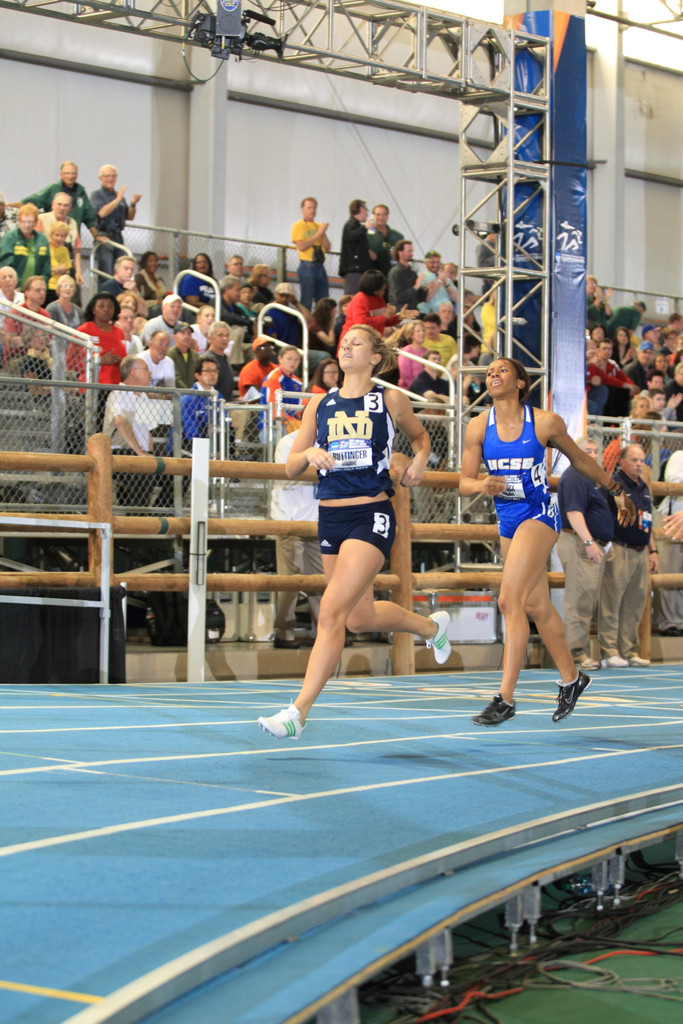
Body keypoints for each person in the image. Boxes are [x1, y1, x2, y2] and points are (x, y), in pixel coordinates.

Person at [257, 323, 451, 739]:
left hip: (371, 514)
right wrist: (307, 451)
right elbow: (290, 467)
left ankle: (297, 712)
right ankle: (431, 628)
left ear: (374, 357)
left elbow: (421, 439)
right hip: (330, 517)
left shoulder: (389, 399)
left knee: (329, 612)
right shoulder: (319, 405)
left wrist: (418, 463)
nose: (345, 347)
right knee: (359, 618)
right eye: (343, 342)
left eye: (356, 343)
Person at [458, 357, 635, 727]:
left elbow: (580, 460)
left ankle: (505, 698)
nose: (493, 374)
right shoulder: (477, 426)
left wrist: (616, 488)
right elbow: (464, 482)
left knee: (510, 600)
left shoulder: (544, 422)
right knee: (537, 607)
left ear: (521, 382)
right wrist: (481, 485)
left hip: (539, 516)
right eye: (489, 371)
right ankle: (572, 679)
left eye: (502, 370)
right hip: (507, 522)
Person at [557, 436, 615, 673]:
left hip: (592, 544)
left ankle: (578, 651)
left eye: (595, 451)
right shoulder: (575, 477)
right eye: (587, 450)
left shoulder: (591, 478)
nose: (592, 454)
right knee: (579, 598)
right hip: (580, 544)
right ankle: (575, 653)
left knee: (587, 598)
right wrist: (589, 542)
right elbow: (573, 512)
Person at [599, 444, 657, 668]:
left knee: (635, 604)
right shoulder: (614, 485)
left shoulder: (643, 486)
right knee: (612, 602)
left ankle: (629, 649)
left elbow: (648, 520)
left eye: (641, 460)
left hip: (641, 551)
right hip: (620, 548)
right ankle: (609, 651)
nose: (639, 464)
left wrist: (654, 550)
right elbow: (603, 515)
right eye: (634, 460)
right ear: (622, 461)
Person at [270, 426, 323, 649]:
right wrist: (311, 460)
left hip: (318, 520)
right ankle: (284, 633)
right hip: (289, 519)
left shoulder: (331, 441)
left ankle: (324, 634)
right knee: (291, 579)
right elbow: (288, 477)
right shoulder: (287, 443)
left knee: (321, 580)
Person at [103, 355, 155, 508]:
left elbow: (148, 431)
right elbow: (120, 421)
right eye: (146, 369)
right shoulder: (118, 393)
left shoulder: (144, 395)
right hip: (119, 451)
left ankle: (156, 515)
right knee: (142, 475)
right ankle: (136, 517)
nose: (150, 373)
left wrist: (150, 454)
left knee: (169, 472)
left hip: (141, 452)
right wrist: (141, 454)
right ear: (133, 372)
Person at [90, 164, 141, 277]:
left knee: (120, 272)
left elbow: (130, 216)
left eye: (113, 176)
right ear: (101, 178)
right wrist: (117, 199)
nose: (111, 179)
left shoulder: (119, 196)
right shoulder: (96, 195)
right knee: (106, 271)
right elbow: (102, 213)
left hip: (118, 236)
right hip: (104, 236)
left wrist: (133, 204)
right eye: (107, 176)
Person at [338, 269, 411, 344]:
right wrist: (384, 317)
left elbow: (384, 321)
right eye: (383, 284)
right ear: (375, 288)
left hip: (371, 341)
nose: (385, 286)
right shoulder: (360, 299)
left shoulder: (379, 298)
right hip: (353, 343)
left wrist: (399, 316)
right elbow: (361, 323)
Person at [69, 291, 126, 385]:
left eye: (110, 306)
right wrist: (99, 360)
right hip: (92, 385)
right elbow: (71, 362)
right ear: (93, 309)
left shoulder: (119, 332)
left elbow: (124, 358)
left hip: (116, 387)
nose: (106, 309)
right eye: (101, 306)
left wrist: (120, 361)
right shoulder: (84, 330)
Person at [655, 450, 683, 637]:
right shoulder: (679, 456)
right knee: (669, 574)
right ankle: (669, 622)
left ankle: (680, 619)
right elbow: (676, 479)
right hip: (672, 522)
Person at [36, 192, 84, 289]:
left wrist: (78, 272)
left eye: (66, 205)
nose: (62, 208)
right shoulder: (41, 219)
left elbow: (77, 250)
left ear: (70, 207)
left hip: (67, 270)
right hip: (46, 271)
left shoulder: (73, 223)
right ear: (53, 205)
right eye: (59, 204)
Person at [291, 196, 330, 310]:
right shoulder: (298, 225)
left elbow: (327, 247)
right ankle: (304, 325)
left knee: (323, 302)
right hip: (307, 265)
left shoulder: (319, 226)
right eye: (309, 208)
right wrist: (318, 234)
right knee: (306, 300)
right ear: (303, 209)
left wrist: (323, 233)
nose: (312, 210)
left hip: (320, 265)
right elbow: (301, 246)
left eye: (314, 208)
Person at [0, 204, 51, 288]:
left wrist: (41, 284)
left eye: (30, 222)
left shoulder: (42, 239)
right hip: (14, 288)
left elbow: (46, 266)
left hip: (35, 289)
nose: (26, 225)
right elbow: (5, 264)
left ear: (35, 223)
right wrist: (14, 284)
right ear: (19, 221)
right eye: (23, 222)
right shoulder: (10, 237)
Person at [339, 199, 370, 294]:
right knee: (352, 297)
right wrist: (364, 227)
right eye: (366, 210)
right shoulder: (352, 224)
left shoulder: (354, 225)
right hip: (354, 269)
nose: (367, 214)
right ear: (361, 209)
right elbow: (351, 236)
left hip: (357, 269)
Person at [387, 239, 426, 310]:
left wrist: (426, 288)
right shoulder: (395, 273)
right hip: (402, 314)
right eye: (409, 251)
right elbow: (398, 297)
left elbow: (419, 297)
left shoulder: (412, 273)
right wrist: (416, 287)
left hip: (414, 312)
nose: (412, 254)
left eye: (412, 251)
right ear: (400, 253)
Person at [366, 203, 403, 277]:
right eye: (378, 214)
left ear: (388, 216)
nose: (381, 217)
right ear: (373, 216)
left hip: (393, 275)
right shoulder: (366, 235)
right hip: (373, 275)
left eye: (384, 214)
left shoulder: (397, 236)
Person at [393, 320, 429, 392]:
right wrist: (421, 389)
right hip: (409, 390)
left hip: (426, 389)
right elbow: (406, 376)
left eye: (423, 331)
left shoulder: (427, 351)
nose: (421, 333)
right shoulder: (406, 352)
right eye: (418, 331)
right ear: (411, 334)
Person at [168, 322, 200, 388]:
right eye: (183, 333)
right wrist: (188, 392)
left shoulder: (195, 356)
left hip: (192, 395)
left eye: (189, 333)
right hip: (175, 395)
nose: (187, 336)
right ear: (174, 337)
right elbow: (175, 378)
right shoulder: (170, 354)